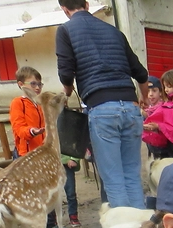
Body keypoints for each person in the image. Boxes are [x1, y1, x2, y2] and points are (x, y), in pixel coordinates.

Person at [56, 0, 149, 209]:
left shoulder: (65, 30)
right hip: (131, 107)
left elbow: (65, 72)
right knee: (132, 176)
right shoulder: (113, 31)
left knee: (114, 180)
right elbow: (141, 73)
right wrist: (142, 97)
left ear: (64, 9)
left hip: (102, 109)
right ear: (87, 4)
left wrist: (67, 92)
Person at [9, 66, 81, 228]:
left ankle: (50, 225)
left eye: (39, 84)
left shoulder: (42, 103)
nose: (37, 87)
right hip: (27, 155)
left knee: (47, 191)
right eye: (33, 83)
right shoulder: (18, 103)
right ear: (20, 84)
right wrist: (31, 132)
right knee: (36, 194)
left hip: (44, 155)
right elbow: (18, 128)